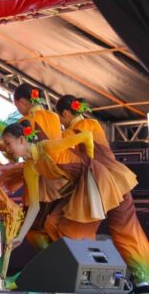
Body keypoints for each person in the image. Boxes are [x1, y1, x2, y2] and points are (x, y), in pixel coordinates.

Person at [56, 95, 149, 290]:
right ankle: (144, 279)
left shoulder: (71, 133)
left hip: (97, 185)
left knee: (74, 230)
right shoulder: (94, 124)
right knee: (128, 230)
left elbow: (70, 161)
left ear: (65, 113)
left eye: (60, 118)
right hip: (119, 182)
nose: (61, 123)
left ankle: (90, 277)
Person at [1, 122, 103, 248]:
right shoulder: (29, 167)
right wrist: (21, 236)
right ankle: (68, 259)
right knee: (51, 224)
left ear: (21, 140)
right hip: (73, 191)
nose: (6, 149)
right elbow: (34, 206)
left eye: (8, 143)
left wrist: (90, 164)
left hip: (90, 183)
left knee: (70, 230)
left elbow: (87, 136)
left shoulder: (47, 147)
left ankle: (83, 256)